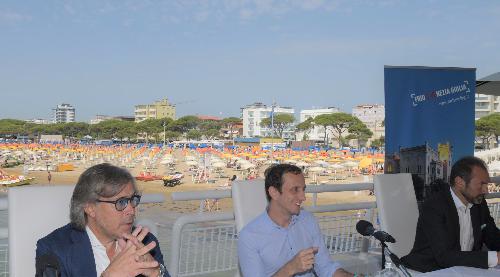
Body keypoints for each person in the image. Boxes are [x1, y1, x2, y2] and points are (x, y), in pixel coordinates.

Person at [36, 163, 170, 277]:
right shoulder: (54, 249)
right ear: (90, 208)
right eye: (121, 202)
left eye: (133, 200)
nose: (131, 210)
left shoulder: (145, 242)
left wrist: (156, 272)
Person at [238, 164, 354, 277]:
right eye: (295, 190)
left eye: (303, 190)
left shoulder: (308, 220)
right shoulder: (249, 237)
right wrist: (290, 268)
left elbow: (326, 268)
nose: (303, 197)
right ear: (274, 192)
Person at [402, 156, 500, 272]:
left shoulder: (479, 203)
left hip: (465, 269)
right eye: (481, 184)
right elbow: (444, 256)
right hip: (427, 271)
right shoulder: (434, 206)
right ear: (459, 182)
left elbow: (491, 235)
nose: (486, 190)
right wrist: (496, 257)